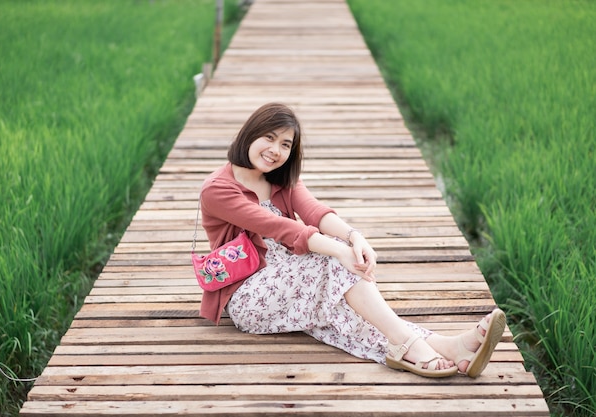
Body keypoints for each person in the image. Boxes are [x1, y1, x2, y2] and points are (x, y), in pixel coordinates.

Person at [198, 102, 506, 378]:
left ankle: (447, 346)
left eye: (285, 144)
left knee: (345, 310)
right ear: (249, 134)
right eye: (268, 137)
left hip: (294, 279)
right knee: (334, 264)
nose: (275, 150)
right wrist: (340, 250)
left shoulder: (280, 179)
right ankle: (411, 342)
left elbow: (314, 211)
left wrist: (353, 237)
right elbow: (280, 228)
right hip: (250, 296)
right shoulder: (218, 189)